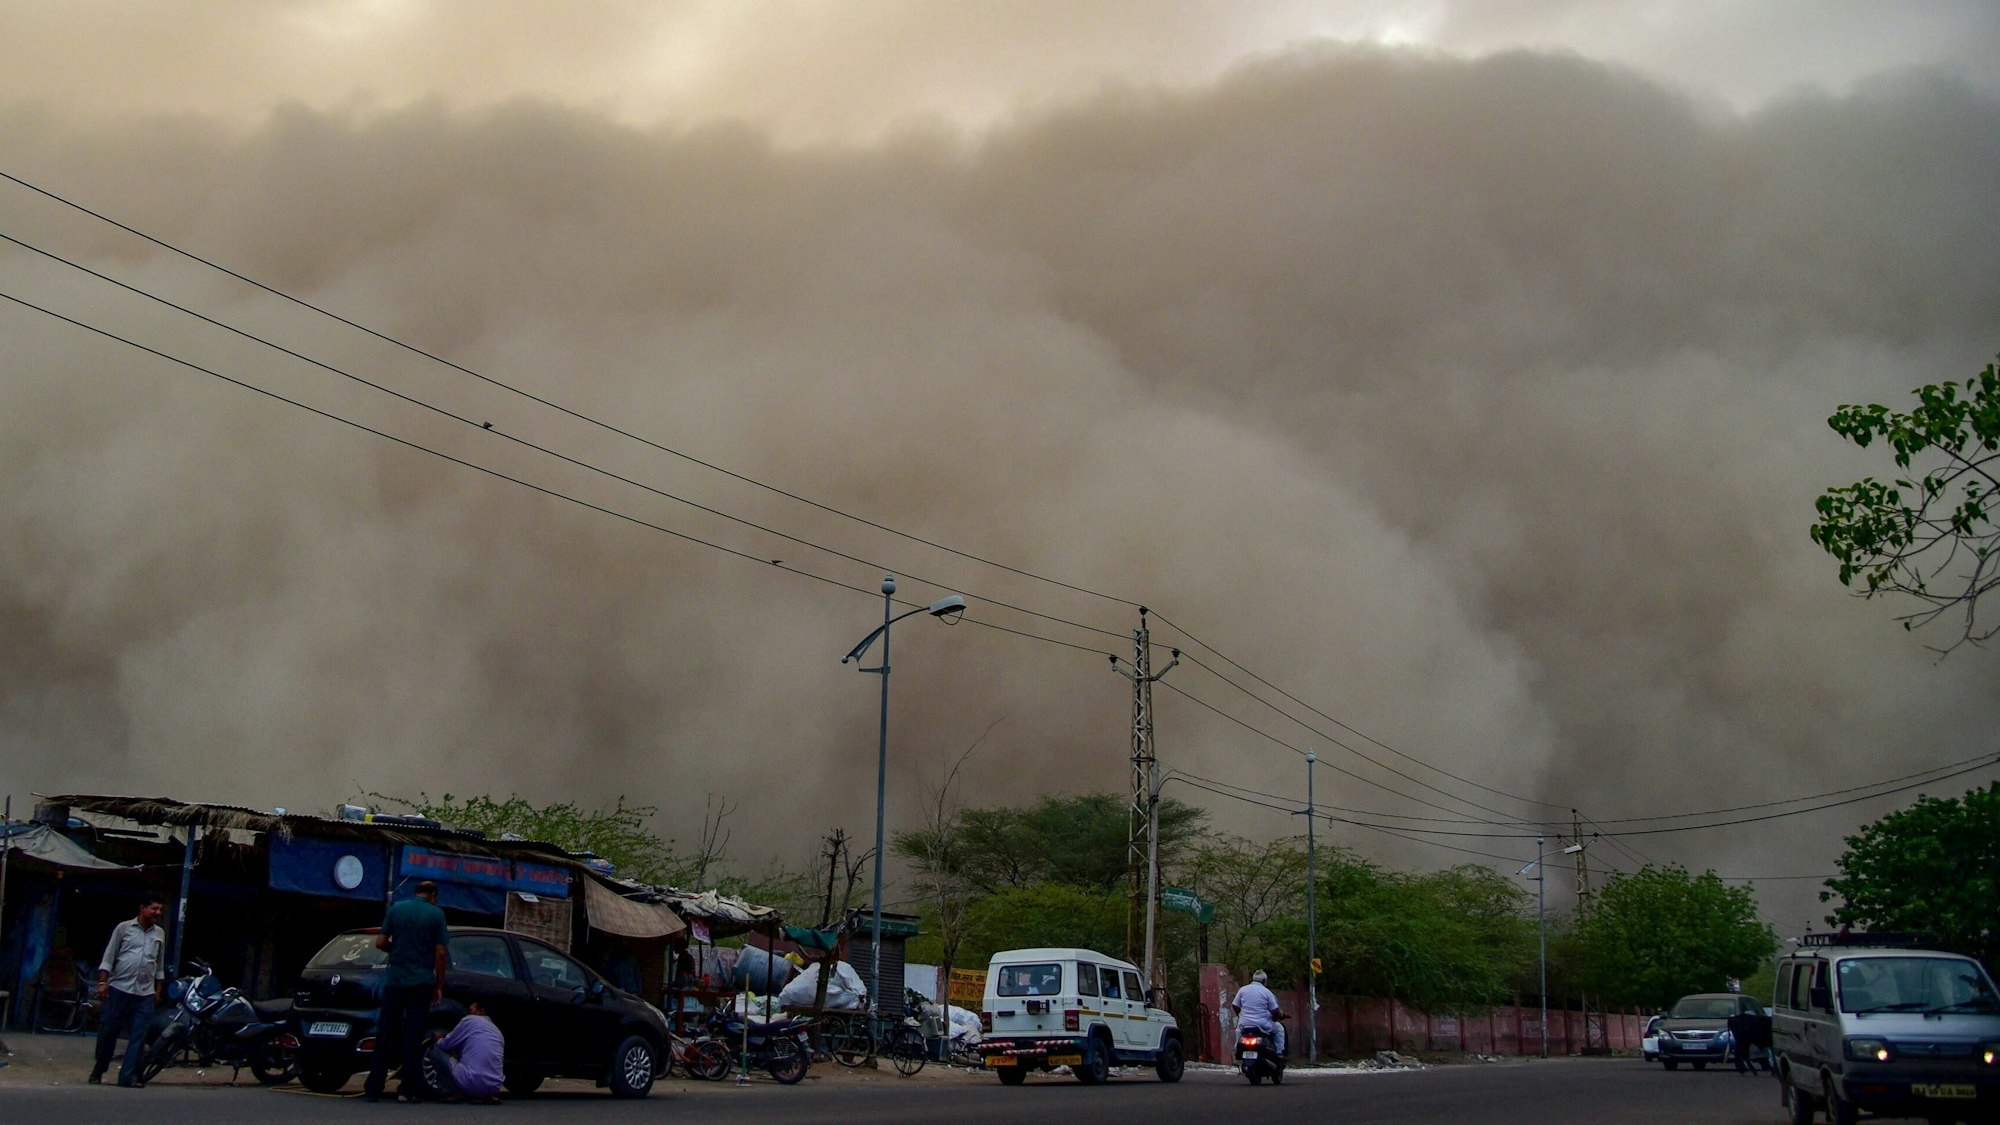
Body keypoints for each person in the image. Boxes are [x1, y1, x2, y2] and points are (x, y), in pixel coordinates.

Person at [364, 880, 449, 1103]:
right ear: (432, 895)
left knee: (385, 1033)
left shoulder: (396, 909)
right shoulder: (436, 914)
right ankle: (407, 1089)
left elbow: (380, 942)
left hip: (395, 981)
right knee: (413, 1035)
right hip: (420, 982)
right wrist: (439, 985)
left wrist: (398, 949)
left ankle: (374, 1087)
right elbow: (441, 954)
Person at [90, 891, 167, 1088]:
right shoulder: (123, 928)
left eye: (160, 909)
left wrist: (158, 991)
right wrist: (102, 982)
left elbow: (159, 965)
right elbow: (109, 957)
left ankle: (128, 1076)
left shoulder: (159, 934)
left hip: (145, 993)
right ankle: (99, 1069)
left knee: (138, 1036)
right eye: (154, 908)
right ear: (142, 908)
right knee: (109, 1031)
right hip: (119, 988)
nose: (157, 912)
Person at [426, 1000, 505, 1104]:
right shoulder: (497, 1031)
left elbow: (446, 1044)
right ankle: (487, 1095)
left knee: (434, 1051)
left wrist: (439, 1038)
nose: (467, 1014)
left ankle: (452, 1092)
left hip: (470, 1082)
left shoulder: (469, 1020)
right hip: (494, 1087)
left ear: (481, 1011)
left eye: (470, 1011)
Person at [1231, 969, 1286, 1058]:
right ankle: (1279, 1053)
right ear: (1264, 981)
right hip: (1262, 1024)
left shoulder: (1243, 989)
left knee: (1238, 1030)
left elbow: (1235, 1005)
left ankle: (1237, 1049)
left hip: (1245, 1023)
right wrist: (1276, 1018)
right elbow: (1275, 1010)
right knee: (1279, 1028)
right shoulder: (1267, 992)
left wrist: (1240, 1015)